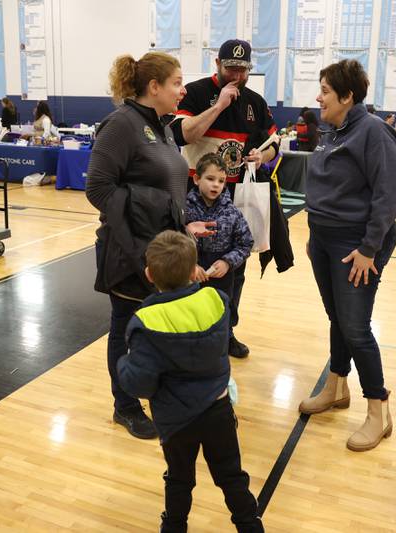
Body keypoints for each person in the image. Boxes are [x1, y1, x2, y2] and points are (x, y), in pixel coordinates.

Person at [86, 51, 214, 440]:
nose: (184, 89)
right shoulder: (122, 125)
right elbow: (98, 188)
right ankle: (124, 406)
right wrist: (146, 233)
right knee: (126, 328)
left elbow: (162, 187)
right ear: (153, 87)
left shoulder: (159, 126)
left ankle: (151, 389)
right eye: (177, 82)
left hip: (163, 248)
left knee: (153, 325)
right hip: (129, 252)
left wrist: (178, 223)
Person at [117, 230, 263, 533]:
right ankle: (250, 525)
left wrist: (123, 364)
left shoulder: (147, 321)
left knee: (179, 479)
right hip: (219, 410)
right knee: (232, 476)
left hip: (176, 420)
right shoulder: (216, 299)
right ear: (194, 269)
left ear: (148, 274)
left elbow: (139, 383)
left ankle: (174, 527)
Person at [298, 59, 396, 452]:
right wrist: (314, 235)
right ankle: (336, 386)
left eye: (325, 91)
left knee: (356, 327)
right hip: (323, 240)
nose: (318, 97)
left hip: (354, 247)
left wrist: (368, 249)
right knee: (336, 319)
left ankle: (379, 411)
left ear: (347, 96)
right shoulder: (331, 130)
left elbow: (388, 195)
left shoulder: (373, 132)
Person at [170, 38, 279, 359]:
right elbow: (182, 134)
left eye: (243, 70)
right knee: (189, 265)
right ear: (216, 63)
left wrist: (263, 155)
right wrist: (218, 105)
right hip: (193, 197)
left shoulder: (255, 102)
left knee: (233, 269)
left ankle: (226, 330)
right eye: (231, 68)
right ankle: (187, 330)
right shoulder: (195, 92)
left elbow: (273, 144)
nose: (237, 76)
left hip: (235, 199)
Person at [187, 153, 254, 353]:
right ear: (197, 179)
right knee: (192, 310)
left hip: (222, 273)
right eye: (210, 179)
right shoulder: (184, 209)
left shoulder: (232, 211)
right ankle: (192, 342)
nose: (216, 185)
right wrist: (190, 265)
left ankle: (226, 337)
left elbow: (246, 243)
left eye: (221, 181)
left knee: (224, 309)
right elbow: (174, 241)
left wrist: (227, 262)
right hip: (193, 272)